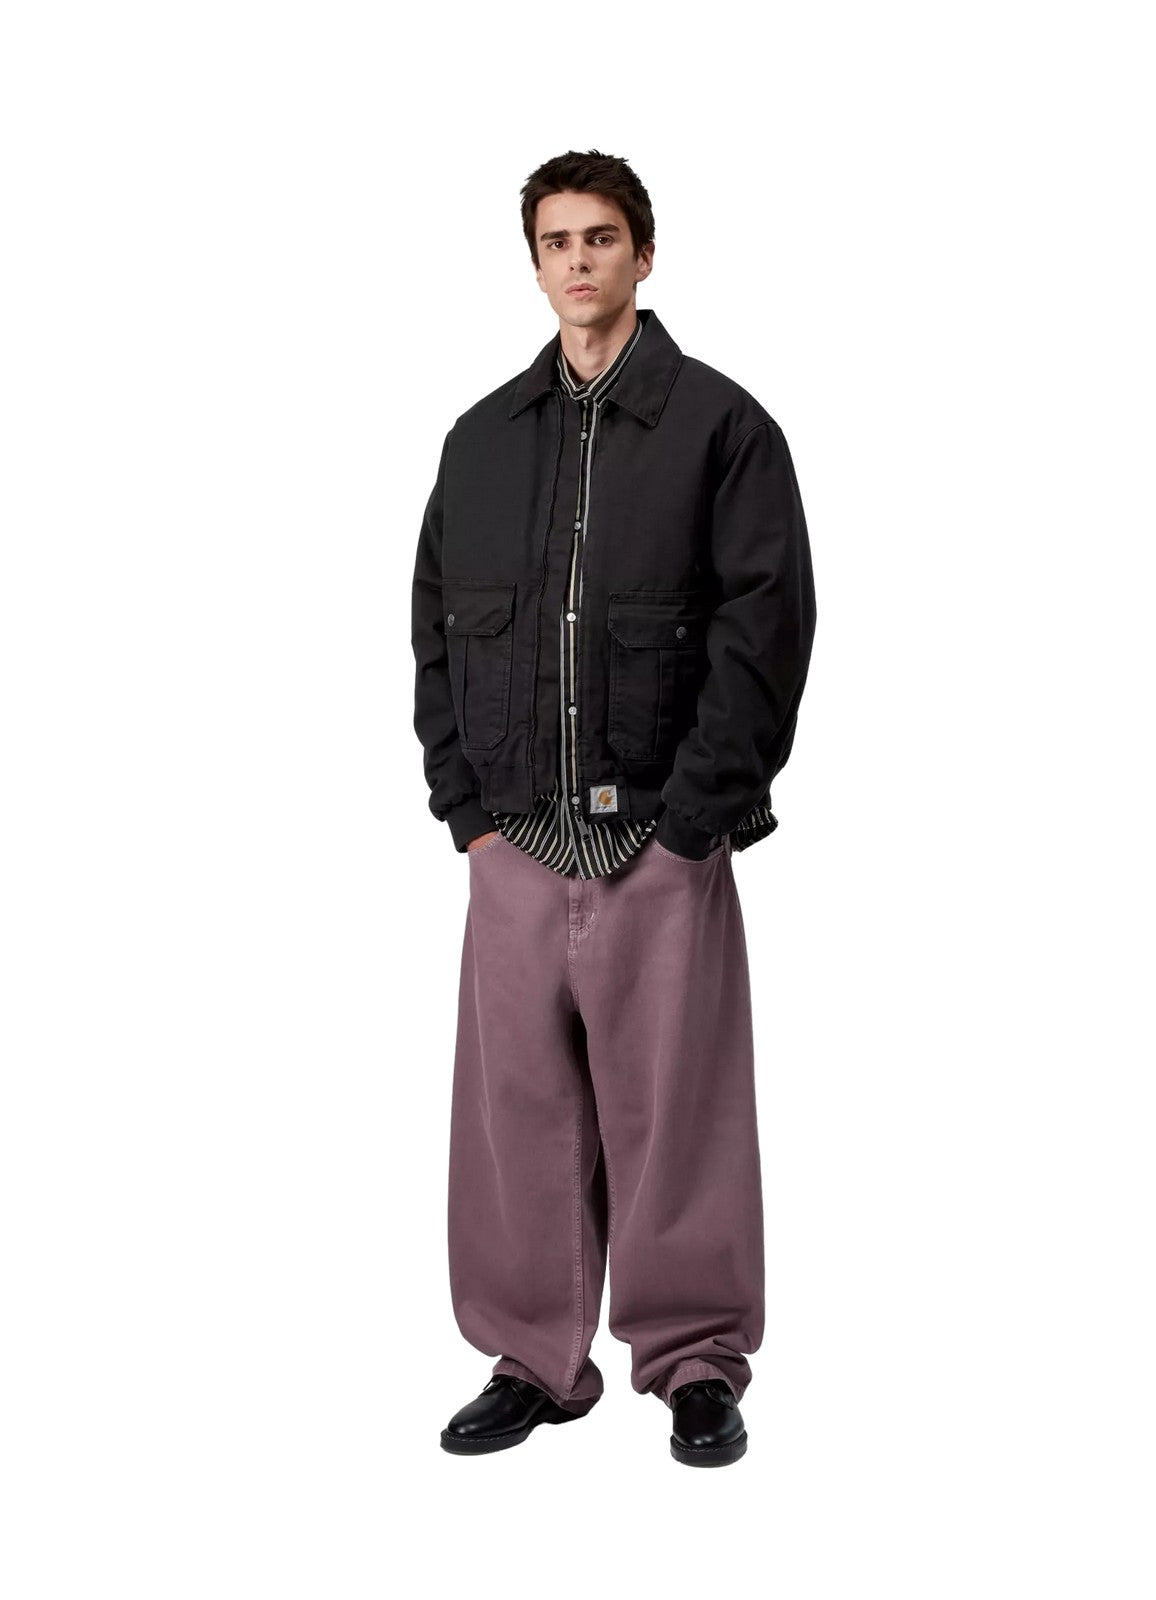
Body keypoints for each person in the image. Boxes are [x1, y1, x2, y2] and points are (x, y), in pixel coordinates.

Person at [411, 149, 816, 1465]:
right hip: (515, 842)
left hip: (660, 838)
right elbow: (435, 629)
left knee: (678, 1114)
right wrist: (467, 810)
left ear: (645, 253)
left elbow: (766, 630)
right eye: (556, 242)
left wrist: (698, 820)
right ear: (534, 263)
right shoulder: (481, 440)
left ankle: (695, 1362)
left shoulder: (723, 428)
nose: (578, 261)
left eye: (600, 238)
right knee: (516, 1118)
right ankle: (532, 1358)